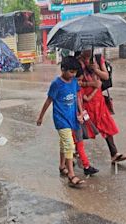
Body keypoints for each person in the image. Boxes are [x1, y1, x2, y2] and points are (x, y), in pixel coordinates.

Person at [36, 56, 86, 188]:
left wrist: (81, 112)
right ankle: (71, 175)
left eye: (75, 72)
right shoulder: (56, 84)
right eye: (71, 72)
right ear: (63, 69)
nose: (73, 74)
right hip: (61, 119)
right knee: (69, 144)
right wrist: (41, 117)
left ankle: (62, 165)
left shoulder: (74, 82)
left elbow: (77, 98)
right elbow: (49, 100)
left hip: (72, 118)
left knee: (64, 143)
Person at [77, 49, 126, 163]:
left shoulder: (97, 58)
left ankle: (114, 153)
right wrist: (92, 84)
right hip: (85, 99)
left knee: (106, 123)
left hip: (98, 99)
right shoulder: (78, 62)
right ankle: (74, 150)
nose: (88, 51)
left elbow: (105, 76)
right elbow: (78, 83)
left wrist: (95, 69)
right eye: (85, 49)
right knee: (83, 126)